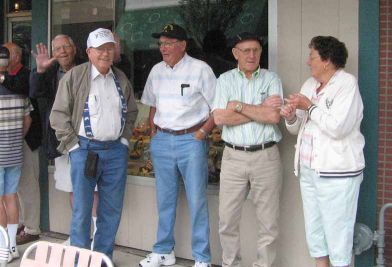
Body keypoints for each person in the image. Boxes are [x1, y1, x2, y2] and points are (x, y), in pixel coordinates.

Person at [49, 28, 138, 260]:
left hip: (115, 152)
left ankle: (101, 259)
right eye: (100, 49)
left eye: (109, 48)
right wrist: (73, 147)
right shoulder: (75, 76)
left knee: (111, 210)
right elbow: (58, 115)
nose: (106, 54)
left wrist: (125, 140)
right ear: (89, 52)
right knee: (82, 212)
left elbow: (132, 111)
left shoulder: (120, 78)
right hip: (85, 151)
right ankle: (80, 260)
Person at [280, 36, 364, 267]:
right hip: (309, 170)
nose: (308, 62)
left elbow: (337, 127)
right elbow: (298, 127)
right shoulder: (309, 85)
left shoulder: (346, 85)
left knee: (338, 234)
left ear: (327, 60)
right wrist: (290, 116)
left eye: (312, 56)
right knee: (315, 230)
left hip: (337, 174)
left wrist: (309, 106)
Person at [139, 23, 216, 267]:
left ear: (183, 45)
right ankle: (163, 251)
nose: (163, 48)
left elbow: (218, 106)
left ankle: (202, 258)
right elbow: (152, 104)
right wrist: (154, 134)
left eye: (169, 43)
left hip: (191, 140)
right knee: (164, 200)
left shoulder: (200, 69)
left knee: (197, 201)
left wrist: (203, 133)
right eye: (161, 43)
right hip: (162, 140)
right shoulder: (156, 71)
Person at [212, 32, 283, 267]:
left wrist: (240, 107)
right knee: (227, 220)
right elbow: (221, 117)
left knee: (268, 223)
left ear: (260, 52)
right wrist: (259, 110)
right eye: (246, 50)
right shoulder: (224, 80)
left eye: (255, 50)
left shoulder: (272, 79)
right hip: (233, 157)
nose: (251, 55)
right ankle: (231, 264)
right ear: (235, 53)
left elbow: (273, 116)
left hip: (266, 156)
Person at [30, 34, 99, 245]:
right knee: (72, 187)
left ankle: (98, 235)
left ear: (74, 49)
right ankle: (80, 235)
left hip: (89, 138)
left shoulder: (89, 68)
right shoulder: (49, 72)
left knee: (93, 189)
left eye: (66, 46)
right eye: (57, 48)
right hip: (62, 141)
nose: (62, 51)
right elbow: (34, 92)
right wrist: (40, 70)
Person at [2, 42, 42, 246]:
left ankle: (33, 228)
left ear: (16, 56)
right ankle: (22, 222)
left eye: (5, 53)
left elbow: (20, 89)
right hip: (12, 140)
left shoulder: (25, 74)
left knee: (27, 184)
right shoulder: (9, 76)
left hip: (25, 139)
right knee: (14, 187)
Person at [0, 45, 32, 262]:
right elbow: (28, 119)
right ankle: (12, 246)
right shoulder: (19, 88)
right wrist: (17, 138)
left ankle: (2, 247)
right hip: (14, 151)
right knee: (11, 198)